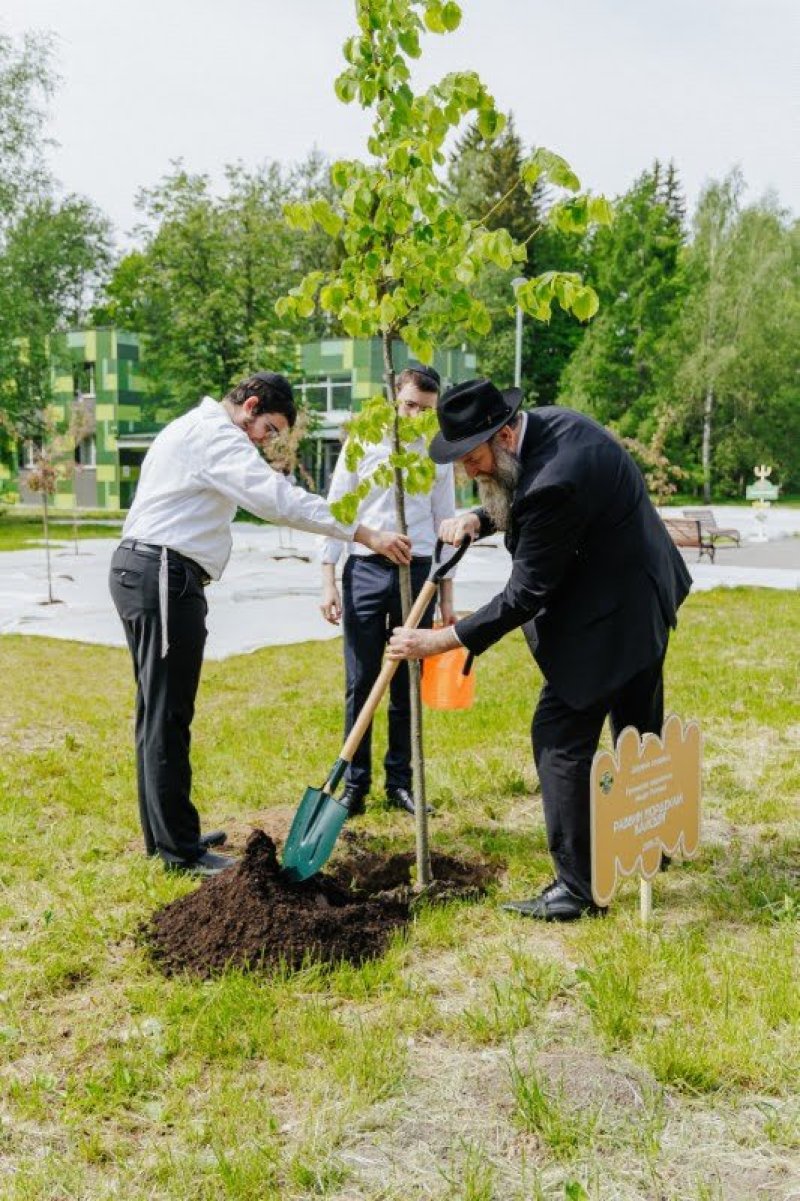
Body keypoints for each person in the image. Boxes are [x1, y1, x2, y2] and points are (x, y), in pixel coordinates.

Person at [388, 378, 692, 920]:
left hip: (611, 614)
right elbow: (525, 503)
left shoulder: (556, 480)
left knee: (559, 734)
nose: (468, 472)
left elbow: (525, 593)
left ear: (503, 435)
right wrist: (480, 518)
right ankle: (654, 838)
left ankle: (577, 889)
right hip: (643, 593)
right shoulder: (551, 426)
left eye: (473, 458)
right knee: (637, 725)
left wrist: (440, 640)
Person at [109, 372, 411, 877]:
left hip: (151, 572)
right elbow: (277, 501)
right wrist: (363, 533)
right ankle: (177, 851)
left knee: (157, 712)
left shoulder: (195, 428)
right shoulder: (217, 436)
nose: (266, 442)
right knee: (166, 715)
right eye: (269, 429)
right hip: (161, 574)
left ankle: (167, 836)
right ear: (250, 406)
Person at [320, 364, 456, 817]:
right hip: (364, 570)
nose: (417, 416)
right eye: (410, 405)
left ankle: (400, 782)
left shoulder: (437, 453)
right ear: (394, 398)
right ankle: (354, 785)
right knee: (360, 681)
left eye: (426, 410)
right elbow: (337, 510)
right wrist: (328, 578)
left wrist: (447, 598)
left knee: (405, 683)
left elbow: (446, 526)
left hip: (416, 575)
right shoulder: (364, 441)